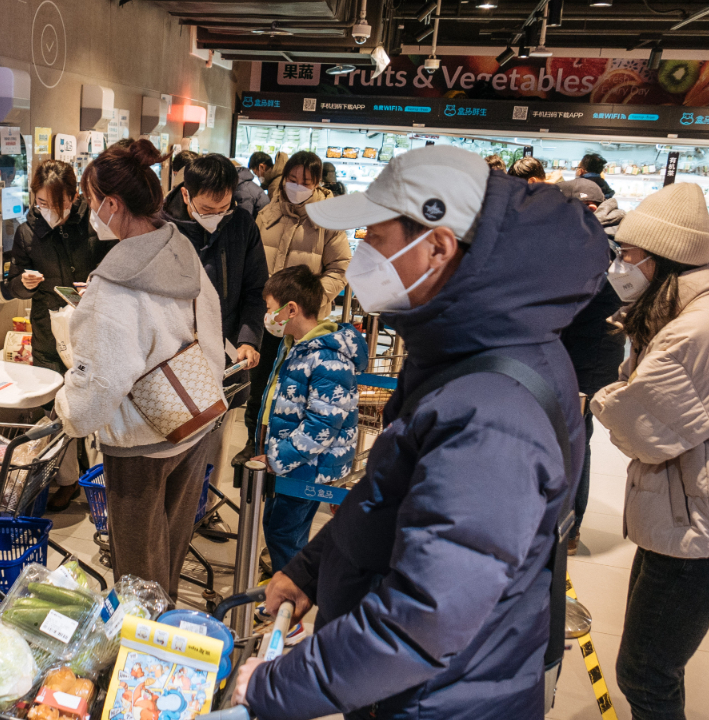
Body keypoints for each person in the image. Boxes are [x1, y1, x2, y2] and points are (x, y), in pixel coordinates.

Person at [231, 145, 609, 719]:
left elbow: (422, 621)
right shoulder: (469, 343)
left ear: (436, 247)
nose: (361, 255)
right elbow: (391, 494)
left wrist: (272, 686)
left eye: (376, 239)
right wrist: (312, 570)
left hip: (444, 701)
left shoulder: (491, 414)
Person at [591, 182, 709, 720]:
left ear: (662, 261)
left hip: (704, 536)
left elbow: (637, 426)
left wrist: (599, 399)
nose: (620, 265)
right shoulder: (679, 316)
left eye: (629, 255)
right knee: (649, 667)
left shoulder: (694, 332)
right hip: (690, 520)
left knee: (646, 673)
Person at [54, 139, 226, 599]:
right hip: (191, 422)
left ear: (112, 204)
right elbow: (211, 326)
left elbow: (98, 387)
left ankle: (143, 660)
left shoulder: (114, 286)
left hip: (140, 446)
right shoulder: (182, 251)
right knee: (170, 554)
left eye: (92, 203)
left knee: (138, 581)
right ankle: (167, 645)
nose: (91, 212)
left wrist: (65, 407)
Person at [254, 265, 365, 642]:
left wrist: (279, 456)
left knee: (282, 529)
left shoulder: (327, 357)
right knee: (287, 528)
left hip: (306, 466)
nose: (267, 317)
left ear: (290, 309)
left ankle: (292, 612)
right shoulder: (299, 348)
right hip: (295, 463)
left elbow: (322, 425)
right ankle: (284, 591)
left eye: (271, 308)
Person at [238, 152, 351, 465]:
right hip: (267, 318)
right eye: (293, 179)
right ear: (283, 177)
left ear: (316, 183)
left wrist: (311, 301)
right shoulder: (267, 212)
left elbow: (340, 266)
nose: (298, 186)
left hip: (303, 325)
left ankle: (287, 452)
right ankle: (253, 442)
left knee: (293, 391)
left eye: (306, 181)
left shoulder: (328, 219)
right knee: (259, 384)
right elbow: (252, 262)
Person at [556, 178, 627, 554]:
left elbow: (573, 300)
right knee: (573, 438)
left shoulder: (599, 244)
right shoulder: (605, 237)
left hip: (585, 358)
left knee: (573, 440)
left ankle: (567, 530)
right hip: (587, 353)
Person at [162, 153, 268, 384]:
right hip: (171, 353)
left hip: (227, 348)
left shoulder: (241, 224)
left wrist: (248, 340)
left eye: (224, 207)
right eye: (207, 209)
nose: (217, 217)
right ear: (185, 194)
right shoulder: (160, 228)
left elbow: (255, 289)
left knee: (224, 410)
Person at [2, 160, 113, 375]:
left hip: (95, 329)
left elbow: (114, 265)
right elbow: (14, 285)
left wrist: (97, 282)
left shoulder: (96, 224)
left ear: (73, 196)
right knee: (52, 400)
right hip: (49, 337)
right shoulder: (27, 233)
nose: (50, 210)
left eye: (58, 203)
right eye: (42, 202)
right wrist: (25, 284)